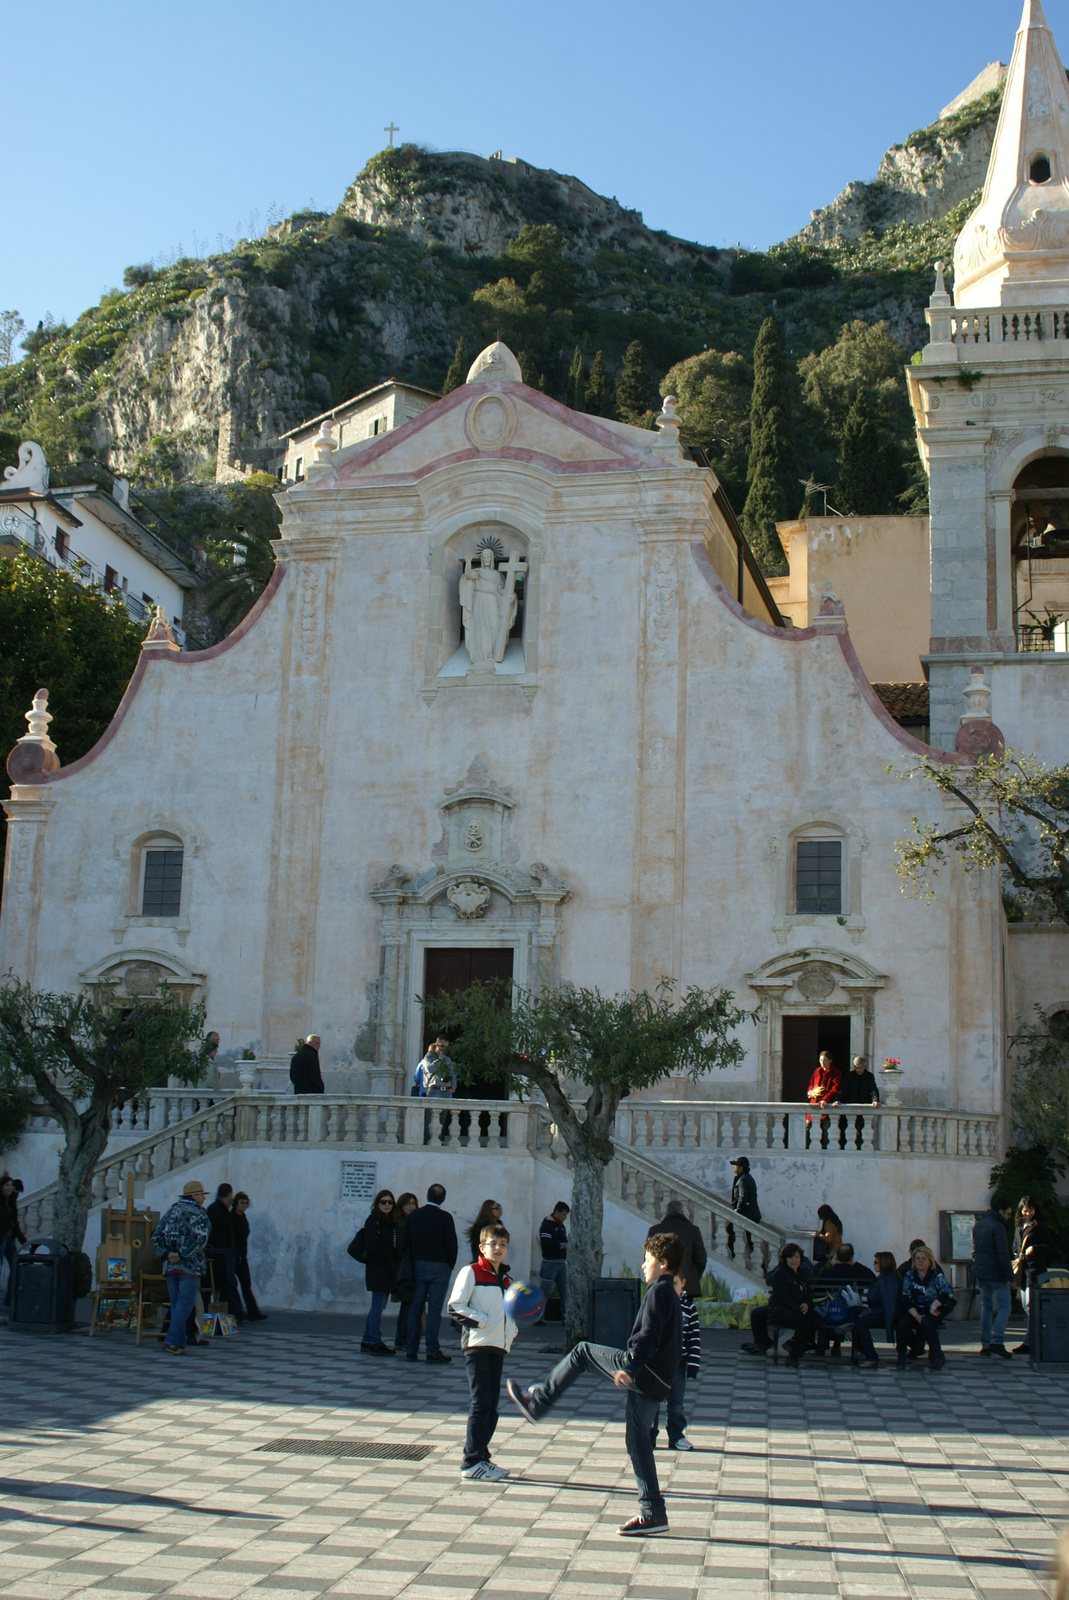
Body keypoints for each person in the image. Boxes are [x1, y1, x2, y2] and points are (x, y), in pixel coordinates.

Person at [507, 1233, 684, 1537]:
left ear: (663, 1263)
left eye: (647, 1260)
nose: (643, 1266)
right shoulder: (670, 1293)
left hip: (643, 1371)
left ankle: (539, 1402)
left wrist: (630, 1367)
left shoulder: (659, 1292)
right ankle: (653, 1513)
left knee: (582, 1352)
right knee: (637, 1441)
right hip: (658, 1382)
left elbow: (649, 1336)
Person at [448, 1220, 516, 1481]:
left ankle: (482, 1457)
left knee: (491, 1405)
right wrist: (482, 1321)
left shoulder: (507, 1278)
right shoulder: (472, 1272)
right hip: (477, 1345)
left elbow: (511, 1310)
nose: (498, 1248)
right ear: (482, 1247)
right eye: (493, 1244)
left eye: (503, 1244)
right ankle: (470, 1461)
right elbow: (455, 1307)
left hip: (498, 1346)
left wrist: (512, 1331)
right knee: (480, 1403)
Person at [152, 1179, 211, 1354]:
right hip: (190, 1267)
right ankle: (172, 1341)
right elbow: (200, 1239)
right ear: (194, 1196)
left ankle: (177, 1342)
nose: (203, 1198)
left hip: (169, 1267)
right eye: (201, 1195)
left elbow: (156, 1237)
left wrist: (167, 1254)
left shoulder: (171, 1212)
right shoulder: (199, 1214)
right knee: (184, 1305)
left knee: (176, 1304)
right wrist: (182, 1255)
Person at [404, 1183, 458, 1363]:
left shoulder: (415, 1216)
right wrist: (449, 1264)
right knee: (435, 1310)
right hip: (440, 1266)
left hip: (418, 1265)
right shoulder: (445, 1218)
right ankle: (432, 1350)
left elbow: (407, 1241)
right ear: (443, 1199)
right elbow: (452, 1245)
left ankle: (411, 1349)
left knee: (415, 1308)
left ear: (427, 1196)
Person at [651, 1273, 700, 1452]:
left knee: (676, 1404)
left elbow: (694, 1339)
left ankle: (676, 1436)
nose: (672, 1288)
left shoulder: (688, 1307)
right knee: (652, 1402)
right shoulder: (656, 1304)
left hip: (678, 1365)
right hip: (656, 1364)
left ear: (683, 1283)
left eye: (676, 1283)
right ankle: (648, 1436)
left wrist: (693, 1367)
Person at [895, 1245, 952, 1371]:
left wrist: (933, 1306)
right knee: (902, 1324)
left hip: (933, 1309)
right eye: (917, 1258)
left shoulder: (936, 1276)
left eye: (924, 1258)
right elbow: (906, 1297)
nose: (920, 1261)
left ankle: (937, 1356)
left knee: (927, 1323)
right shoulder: (910, 1275)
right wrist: (916, 1315)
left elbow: (946, 1292)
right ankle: (901, 1356)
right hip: (914, 1309)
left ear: (930, 1261)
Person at [1011, 1196, 1055, 1357]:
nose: (1027, 1213)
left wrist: (1034, 1249)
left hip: (1035, 1272)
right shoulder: (1018, 1227)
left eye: (1030, 1210)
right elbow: (1015, 1245)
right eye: (1025, 1210)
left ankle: (1031, 1342)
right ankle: (1031, 1340)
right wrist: (1017, 1252)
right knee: (1026, 1307)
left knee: (1032, 1307)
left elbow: (1050, 1246)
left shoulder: (1039, 1227)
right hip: (1022, 1272)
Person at [972, 1195, 1015, 1358]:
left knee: (987, 1307)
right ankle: (997, 1341)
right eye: (1008, 1213)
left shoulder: (980, 1224)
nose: (1009, 1216)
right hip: (996, 1272)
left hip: (981, 1271)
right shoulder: (998, 1226)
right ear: (1001, 1211)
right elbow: (1003, 1254)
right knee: (1005, 1306)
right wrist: (1010, 1277)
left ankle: (986, 1343)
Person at [360, 1189, 400, 1355]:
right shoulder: (374, 1221)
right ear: (377, 1203)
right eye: (383, 1202)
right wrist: (387, 1258)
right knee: (378, 1304)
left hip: (386, 1269)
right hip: (378, 1269)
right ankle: (375, 1340)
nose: (386, 1205)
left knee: (379, 1304)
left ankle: (367, 1339)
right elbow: (372, 1244)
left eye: (389, 1202)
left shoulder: (388, 1222)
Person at [848, 1252, 901, 1369]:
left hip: (883, 1312)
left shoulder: (888, 1280)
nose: (874, 1264)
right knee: (854, 1311)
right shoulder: (883, 1277)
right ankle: (848, 1325)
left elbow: (888, 1303)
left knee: (860, 1323)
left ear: (884, 1263)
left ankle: (871, 1356)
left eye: (876, 1262)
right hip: (876, 1309)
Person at [767, 1242, 818, 1366]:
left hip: (800, 1308)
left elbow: (809, 1292)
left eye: (796, 1257)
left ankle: (795, 1344)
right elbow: (782, 1297)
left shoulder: (803, 1273)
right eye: (791, 1258)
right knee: (803, 1324)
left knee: (817, 1320)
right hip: (783, 1310)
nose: (794, 1261)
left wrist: (806, 1304)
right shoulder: (781, 1274)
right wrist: (798, 1307)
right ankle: (794, 1356)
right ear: (785, 1259)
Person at [646, 1199, 707, 1298]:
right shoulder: (692, 1230)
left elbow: (648, 1258)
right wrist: (693, 1276)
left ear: (666, 1213)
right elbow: (701, 1259)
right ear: (682, 1212)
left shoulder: (655, 1230)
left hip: (660, 1282)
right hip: (687, 1283)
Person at [205, 1183, 240, 1317]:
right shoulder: (216, 1210)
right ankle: (233, 1311)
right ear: (229, 1195)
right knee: (225, 1283)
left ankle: (234, 1311)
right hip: (219, 1254)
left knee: (228, 1283)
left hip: (224, 1253)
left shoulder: (221, 1210)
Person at [231, 1193, 267, 1321]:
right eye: (242, 1203)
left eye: (246, 1203)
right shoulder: (232, 1218)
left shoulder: (243, 1217)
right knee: (232, 1284)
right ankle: (238, 1310)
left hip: (242, 1255)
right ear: (236, 1203)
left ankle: (253, 1311)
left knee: (246, 1283)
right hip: (234, 1255)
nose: (244, 1206)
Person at [414, 1038, 456, 1144]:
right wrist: (439, 1059)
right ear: (436, 1045)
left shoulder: (448, 1060)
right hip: (433, 1090)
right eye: (442, 1046)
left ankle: (440, 1139)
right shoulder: (428, 1058)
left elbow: (453, 1074)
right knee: (430, 1118)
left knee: (442, 1118)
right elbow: (430, 1070)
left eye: (446, 1047)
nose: (444, 1049)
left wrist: (453, 1087)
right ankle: (427, 1140)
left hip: (446, 1091)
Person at [391, 1192, 418, 1352]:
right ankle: (402, 1338)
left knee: (408, 1306)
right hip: (406, 1270)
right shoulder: (401, 1224)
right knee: (407, 1306)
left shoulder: (413, 1222)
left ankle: (403, 1338)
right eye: (408, 1204)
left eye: (413, 1203)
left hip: (410, 1269)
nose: (411, 1206)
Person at [0, 1173, 26, 1317]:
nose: (10, 1189)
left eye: (12, 1186)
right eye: (7, 1186)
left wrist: (23, 1240)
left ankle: (10, 1299)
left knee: (15, 1266)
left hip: (9, 1239)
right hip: (1, 1238)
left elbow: (14, 1224)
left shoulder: (10, 1204)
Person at [538, 1201, 569, 1317]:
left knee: (564, 1291)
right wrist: (562, 1245)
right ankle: (538, 1316)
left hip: (561, 1262)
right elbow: (546, 1244)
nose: (564, 1217)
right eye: (563, 1214)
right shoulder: (547, 1225)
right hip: (549, 1262)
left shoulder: (562, 1227)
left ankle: (566, 1316)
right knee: (545, 1291)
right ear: (556, 1212)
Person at [812, 1204, 843, 1269]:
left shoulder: (828, 1223)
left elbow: (828, 1239)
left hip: (833, 1251)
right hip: (839, 1249)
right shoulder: (835, 1222)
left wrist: (818, 1235)